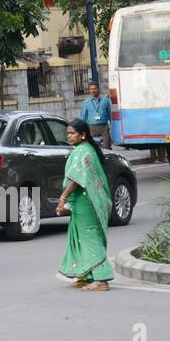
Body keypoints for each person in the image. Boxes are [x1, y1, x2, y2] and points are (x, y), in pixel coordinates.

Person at [55, 118, 115, 291]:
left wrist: (63, 199)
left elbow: (76, 179)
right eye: (68, 133)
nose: (69, 136)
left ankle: (102, 280)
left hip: (86, 202)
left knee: (89, 238)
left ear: (83, 135)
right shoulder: (85, 149)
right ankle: (86, 275)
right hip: (85, 201)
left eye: (72, 133)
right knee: (78, 236)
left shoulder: (83, 151)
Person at [79, 82, 113, 150]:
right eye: (91, 89)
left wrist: (110, 125)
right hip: (91, 128)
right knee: (92, 147)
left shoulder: (106, 101)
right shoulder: (86, 103)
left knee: (106, 147)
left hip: (104, 128)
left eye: (94, 89)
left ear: (98, 89)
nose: (93, 91)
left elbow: (110, 114)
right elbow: (83, 118)